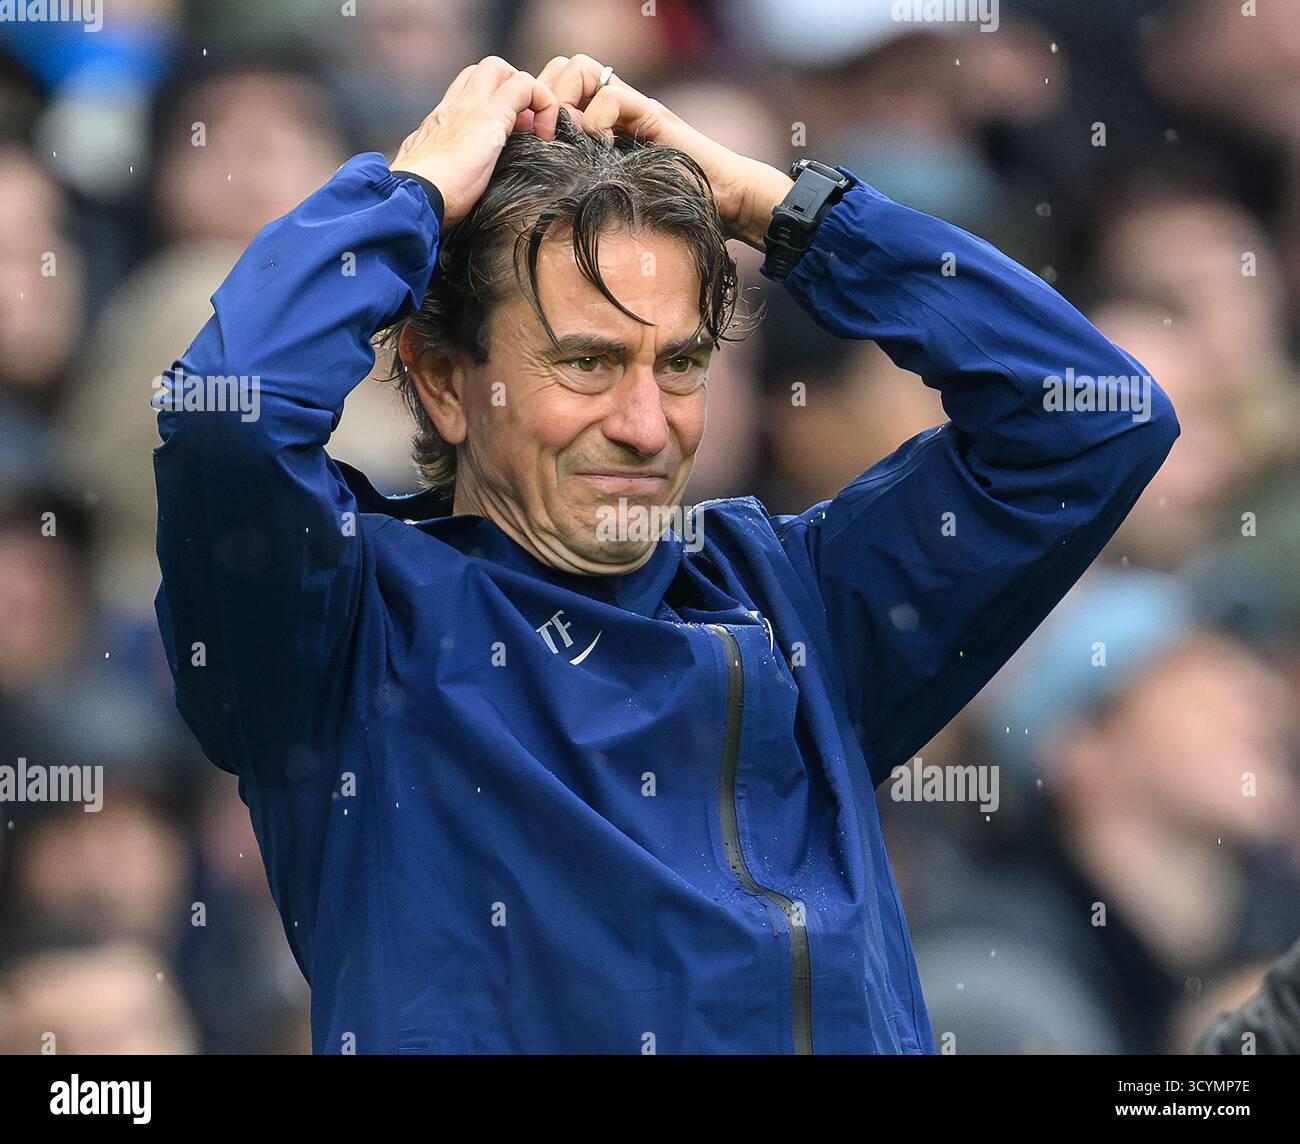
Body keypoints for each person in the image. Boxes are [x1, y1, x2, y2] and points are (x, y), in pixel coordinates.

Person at [153, 53, 1178, 1053]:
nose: (646, 424)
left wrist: (783, 212)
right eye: (588, 362)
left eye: (679, 364)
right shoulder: (340, 634)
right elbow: (229, 416)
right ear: (441, 383)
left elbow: (1093, 420)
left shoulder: (798, 606)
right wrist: (411, 190)